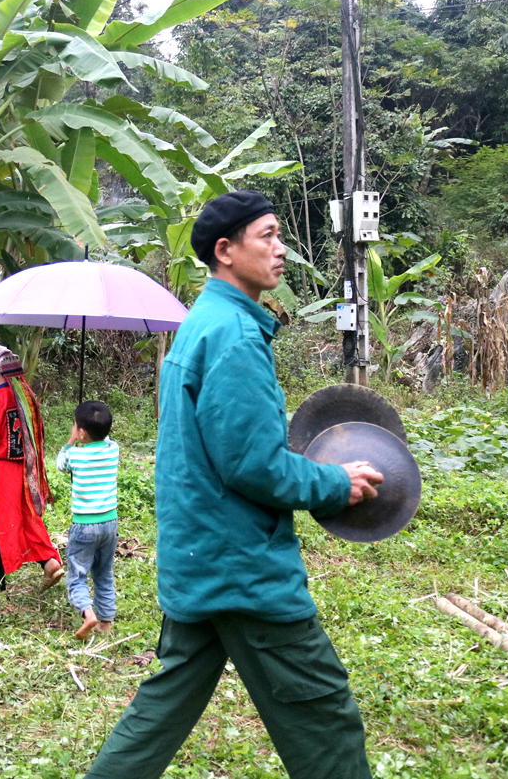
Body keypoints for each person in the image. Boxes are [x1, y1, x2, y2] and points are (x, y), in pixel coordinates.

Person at [85, 190, 384, 779]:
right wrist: (331, 483)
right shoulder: (235, 337)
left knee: (162, 709)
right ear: (226, 251)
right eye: (267, 236)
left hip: (199, 557)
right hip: (243, 569)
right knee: (325, 716)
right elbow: (253, 465)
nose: (281, 250)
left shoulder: (204, 324)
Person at [0, 345, 62, 596]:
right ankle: (50, 562)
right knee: (26, 518)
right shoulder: (24, 392)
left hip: (0, 470)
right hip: (24, 468)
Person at [56, 400, 120, 640]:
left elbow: (60, 464)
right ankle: (105, 622)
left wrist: (71, 440)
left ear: (81, 432)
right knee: (104, 573)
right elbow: (106, 438)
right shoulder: (113, 450)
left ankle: (87, 612)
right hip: (109, 523)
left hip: (83, 525)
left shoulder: (74, 455)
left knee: (77, 575)